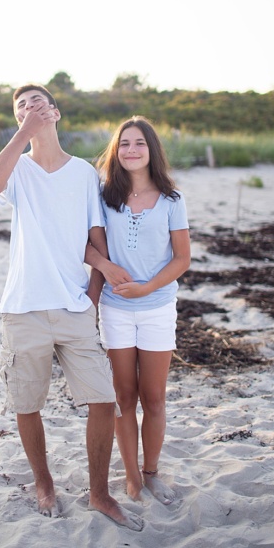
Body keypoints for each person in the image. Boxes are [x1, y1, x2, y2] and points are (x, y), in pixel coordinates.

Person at [0, 84, 143, 531]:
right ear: (18, 119)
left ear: (55, 112)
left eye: (37, 102)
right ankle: (44, 482)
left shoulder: (83, 174)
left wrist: (92, 297)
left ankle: (99, 493)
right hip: (23, 306)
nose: (29, 108)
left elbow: (95, 239)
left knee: (103, 400)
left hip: (75, 307)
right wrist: (23, 134)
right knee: (27, 403)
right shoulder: (17, 168)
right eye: (21, 106)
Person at [84, 116, 191, 505]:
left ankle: (151, 473)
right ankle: (131, 475)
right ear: (116, 151)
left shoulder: (172, 200)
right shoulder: (103, 198)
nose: (131, 150)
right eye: (125, 144)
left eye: (139, 143)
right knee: (124, 397)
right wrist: (106, 266)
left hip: (157, 309)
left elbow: (182, 259)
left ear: (152, 150)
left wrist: (147, 287)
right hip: (114, 310)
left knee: (155, 398)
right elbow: (83, 244)